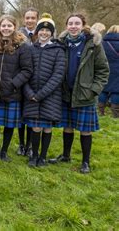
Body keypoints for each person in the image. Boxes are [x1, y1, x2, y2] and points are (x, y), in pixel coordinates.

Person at [50, 13, 109, 173]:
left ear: (83, 25)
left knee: (85, 129)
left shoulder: (93, 44)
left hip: (85, 93)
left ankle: (85, 162)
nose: (73, 26)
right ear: (66, 26)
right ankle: (66, 155)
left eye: (77, 23)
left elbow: (103, 70)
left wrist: (94, 90)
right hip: (66, 92)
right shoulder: (62, 43)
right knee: (67, 126)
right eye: (70, 23)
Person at [0, 15, 33, 162]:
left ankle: (4, 151)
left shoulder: (22, 46)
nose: (6, 28)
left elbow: (27, 70)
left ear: (14, 27)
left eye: (9, 26)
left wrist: (13, 84)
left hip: (12, 92)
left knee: (9, 125)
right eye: (3, 26)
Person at [22, 14, 65, 167]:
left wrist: (40, 95)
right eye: (41, 30)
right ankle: (33, 155)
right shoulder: (30, 49)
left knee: (46, 127)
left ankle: (43, 157)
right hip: (31, 94)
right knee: (35, 126)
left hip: (50, 96)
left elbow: (58, 74)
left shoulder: (58, 50)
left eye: (48, 31)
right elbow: (24, 72)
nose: (44, 33)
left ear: (51, 33)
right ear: (37, 32)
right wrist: (29, 93)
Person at [17, 7, 39, 156]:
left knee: (31, 114)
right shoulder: (18, 35)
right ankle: (21, 144)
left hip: (36, 81)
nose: (30, 20)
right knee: (20, 115)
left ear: (36, 19)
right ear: (24, 19)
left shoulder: (43, 33)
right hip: (20, 79)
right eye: (27, 18)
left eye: (33, 18)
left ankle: (31, 145)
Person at [98, 25, 119, 117]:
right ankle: (115, 114)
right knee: (116, 91)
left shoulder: (102, 43)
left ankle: (100, 112)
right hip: (117, 71)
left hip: (104, 69)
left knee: (103, 90)